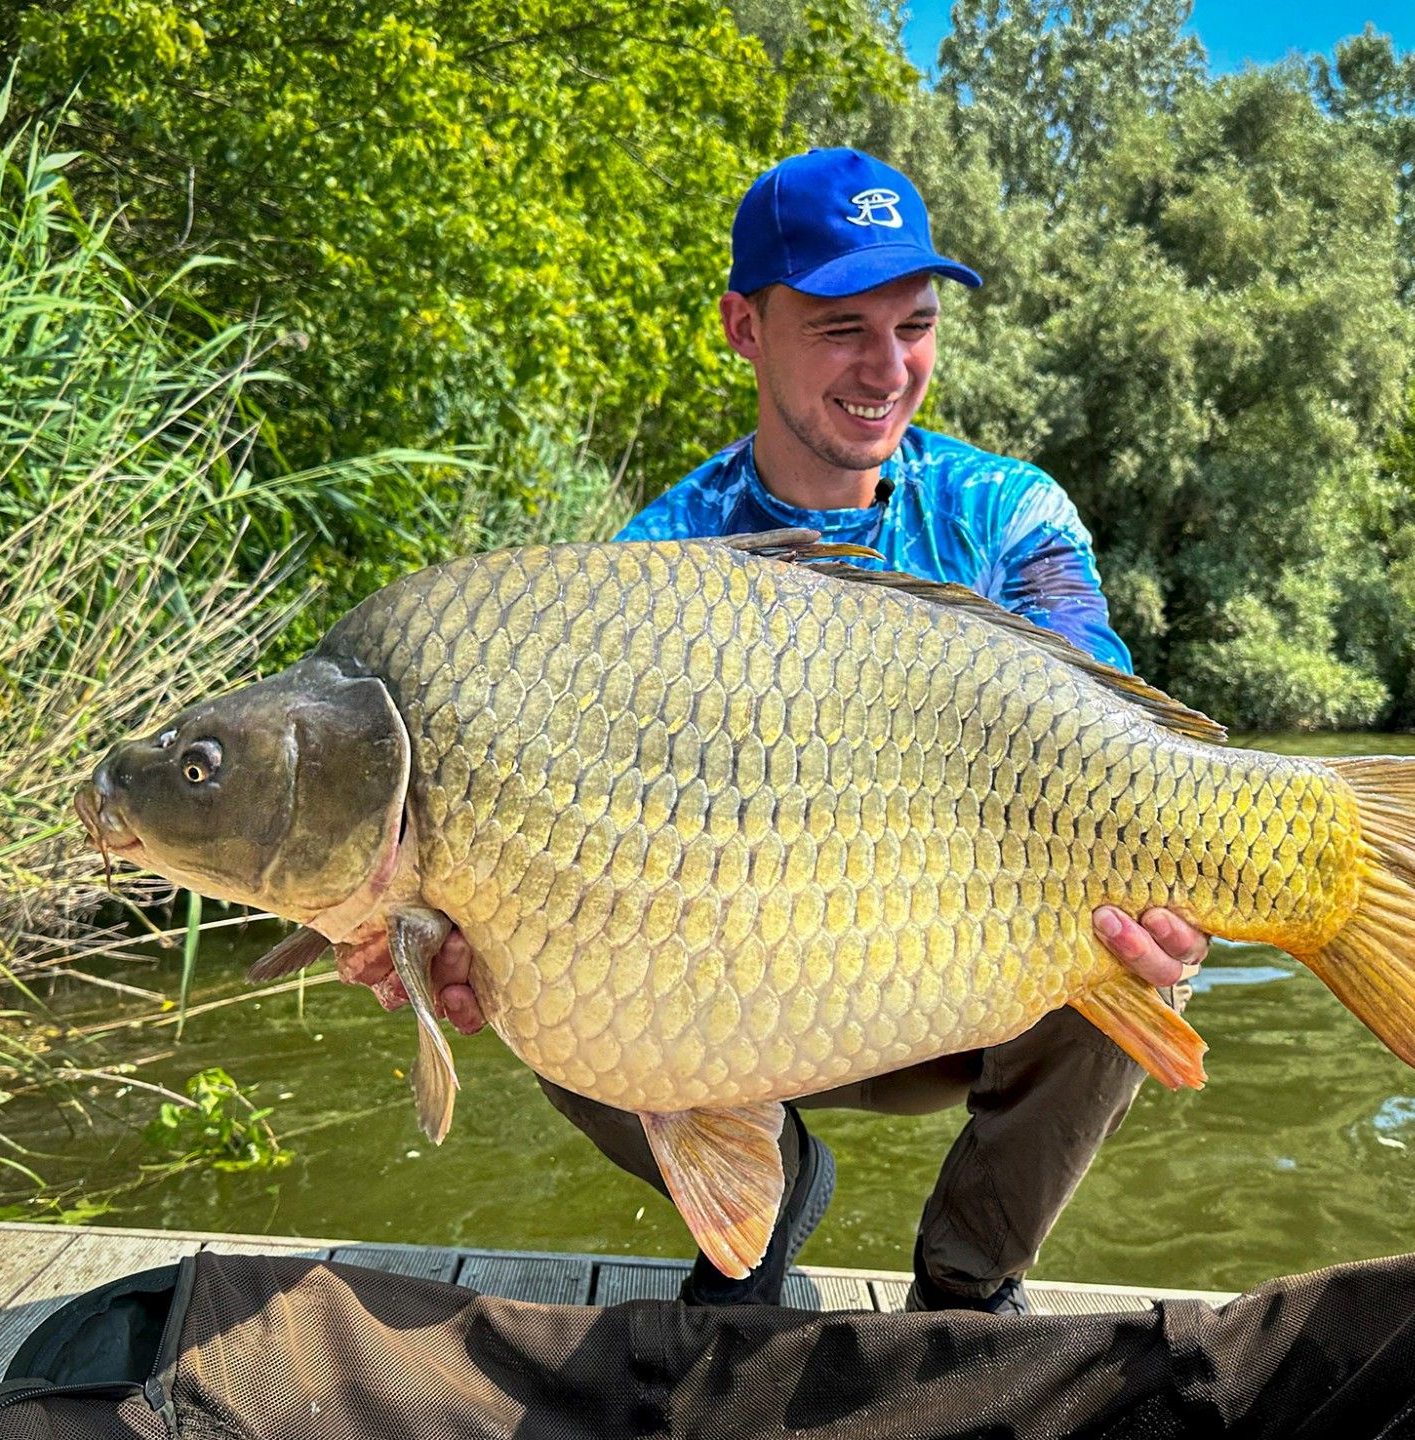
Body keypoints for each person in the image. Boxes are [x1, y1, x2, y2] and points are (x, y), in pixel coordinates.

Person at [425, 148, 1210, 1315]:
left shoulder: (1010, 514)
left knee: (1122, 956)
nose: (887, 368)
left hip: (962, 984)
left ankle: (967, 1280)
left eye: (916, 324)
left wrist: (1173, 901)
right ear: (744, 326)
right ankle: (768, 1194)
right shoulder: (658, 560)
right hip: (747, 997)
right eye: (843, 328)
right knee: (536, 977)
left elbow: (1107, 738)